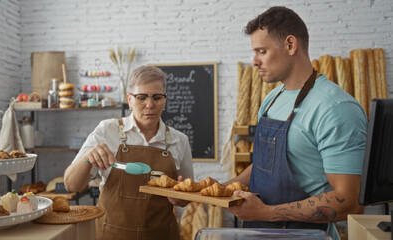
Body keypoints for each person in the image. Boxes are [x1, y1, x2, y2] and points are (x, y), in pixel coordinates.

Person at [225, 6, 368, 239]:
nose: (254, 61)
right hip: (258, 233)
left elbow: (350, 202)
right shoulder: (272, 100)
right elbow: (264, 168)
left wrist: (267, 213)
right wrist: (216, 192)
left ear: (290, 45)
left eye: (262, 51)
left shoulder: (335, 109)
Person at [64, 65, 194, 240]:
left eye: (157, 97)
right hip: (112, 235)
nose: (150, 105)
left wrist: (182, 199)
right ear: (129, 100)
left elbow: (186, 196)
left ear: (165, 100)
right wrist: (88, 158)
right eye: (141, 97)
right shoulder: (106, 130)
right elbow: (71, 185)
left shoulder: (180, 141)